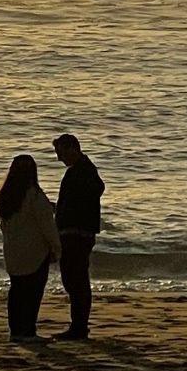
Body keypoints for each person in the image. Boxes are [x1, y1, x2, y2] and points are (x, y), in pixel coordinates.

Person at [0, 153, 61, 342]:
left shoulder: (6, 196)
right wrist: (56, 247)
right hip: (34, 252)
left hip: (13, 251)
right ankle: (28, 331)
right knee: (33, 293)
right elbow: (46, 225)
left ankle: (16, 331)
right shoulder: (34, 195)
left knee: (16, 292)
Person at [52, 132, 104, 340]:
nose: (58, 158)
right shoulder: (82, 170)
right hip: (76, 231)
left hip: (77, 233)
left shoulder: (83, 172)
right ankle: (78, 325)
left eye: (60, 152)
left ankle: (79, 327)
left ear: (71, 148)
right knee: (74, 280)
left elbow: (91, 193)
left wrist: (65, 212)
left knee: (76, 280)